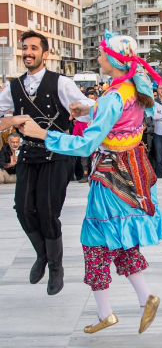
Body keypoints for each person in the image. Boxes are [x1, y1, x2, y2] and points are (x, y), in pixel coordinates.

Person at [19, 31, 162, 334]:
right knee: (120, 241)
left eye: (101, 53)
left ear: (113, 60)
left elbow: (87, 145)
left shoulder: (115, 95)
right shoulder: (129, 89)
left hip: (111, 177)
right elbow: (121, 120)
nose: (97, 57)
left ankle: (109, 310)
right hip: (129, 171)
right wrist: (90, 109)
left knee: (94, 241)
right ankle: (140, 300)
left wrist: (41, 134)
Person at [0, 30, 96, 295]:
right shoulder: (14, 86)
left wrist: (83, 109)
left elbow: (87, 109)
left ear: (45, 53)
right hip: (29, 155)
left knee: (46, 211)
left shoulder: (61, 83)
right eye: (24, 48)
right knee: (22, 208)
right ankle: (42, 254)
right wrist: (10, 121)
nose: (28, 52)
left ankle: (56, 267)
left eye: (33, 48)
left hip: (58, 154)